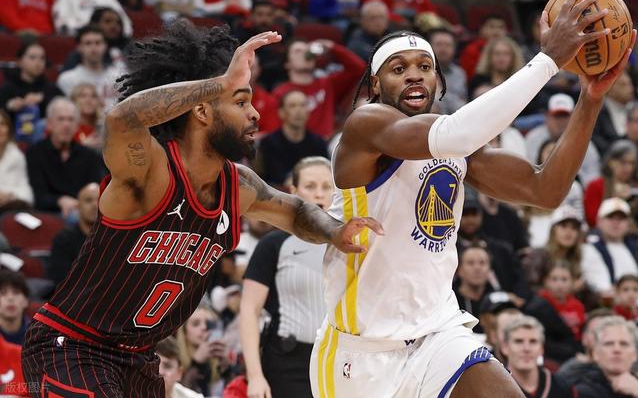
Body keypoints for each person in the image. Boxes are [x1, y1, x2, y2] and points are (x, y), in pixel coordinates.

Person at [21, 21, 381, 396]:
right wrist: (220, 83)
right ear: (202, 111)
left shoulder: (238, 186)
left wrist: (335, 231)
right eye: (240, 102)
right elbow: (121, 120)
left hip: (138, 358)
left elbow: (295, 211)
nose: (255, 114)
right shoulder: (150, 171)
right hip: (74, 346)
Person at [309, 0, 634, 397]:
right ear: (375, 84)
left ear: (438, 80)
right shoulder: (366, 125)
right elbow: (456, 133)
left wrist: (590, 99)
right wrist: (548, 60)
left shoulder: (457, 146)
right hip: (361, 353)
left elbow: (544, 190)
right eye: (398, 68)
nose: (414, 75)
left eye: (425, 66)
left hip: (437, 333)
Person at [241, 157, 333, 398]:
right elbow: (249, 310)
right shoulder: (273, 244)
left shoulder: (353, 244)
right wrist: (255, 376)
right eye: (310, 186)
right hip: (286, 362)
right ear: (294, 191)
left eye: (326, 186)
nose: (319, 194)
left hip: (340, 361)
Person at [26, 97, 105, 217]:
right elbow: (38, 195)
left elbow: (96, 191)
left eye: (71, 119)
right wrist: (59, 200)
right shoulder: (34, 153)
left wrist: (79, 204)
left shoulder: (90, 156)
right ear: (49, 124)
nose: (66, 125)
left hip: (82, 213)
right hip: (46, 213)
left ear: (77, 125)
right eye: (61, 119)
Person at [272, 39, 365, 139]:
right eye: (298, 51)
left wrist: (331, 46)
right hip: (295, 142)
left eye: (307, 50)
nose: (305, 53)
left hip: (326, 142)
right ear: (287, 64)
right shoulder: (281, 92)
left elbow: (359, 68)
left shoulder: (327, 83)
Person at [581, 197, 638, 306]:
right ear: (599, 221)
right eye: (610, 218)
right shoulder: (590, 249)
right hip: (613, 308)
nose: (616, 223)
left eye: (621, 218)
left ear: (628, 223)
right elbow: (600, 284)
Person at [572, 316, 638, 398]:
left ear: (635, 355)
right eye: (609, 344)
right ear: (595, 354)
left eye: (624, 344)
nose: (617, 349)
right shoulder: (581, 389)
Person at [525, 93, 601, 187]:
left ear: (574, 118)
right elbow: (528, 173)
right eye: (557, 116)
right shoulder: (534, 138)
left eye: (565, 116)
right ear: (547, 117)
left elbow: (593, 177)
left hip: (575, 189)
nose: (561, 122)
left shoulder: (584, 142)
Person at [256, 90, 328, 186]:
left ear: (308, 112)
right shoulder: (269, 143)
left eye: (303, 105)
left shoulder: (319, 143)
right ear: (281, 112)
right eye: (292, 106)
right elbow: (274, 178)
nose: (298, 111)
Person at [583, 140, 638, 231]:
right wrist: (617, 199)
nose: (628, 168)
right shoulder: (596, 186)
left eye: (632, 163)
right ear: (611, 162)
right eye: (623, 162)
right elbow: (592, 221)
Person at [0, 42, 63, 144]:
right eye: (32, 57)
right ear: (20, 61)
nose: (38, 62)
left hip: (45, 141)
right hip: (12, 138)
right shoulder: (8, 87)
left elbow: (64, 105)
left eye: (42, 58)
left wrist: (43, 98)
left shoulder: (49, 87)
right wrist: (9, 106)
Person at [501, 315, 576, 398]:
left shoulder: (561, 386)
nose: (526, 348)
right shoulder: (494, 384)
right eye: (518, 341)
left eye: (533, 341)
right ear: (505, 347)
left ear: (541, 348)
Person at [57, 25, 125, 111]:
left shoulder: (120, 77)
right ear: (79, 47)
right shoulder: (68, 79)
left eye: (98, 43)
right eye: (88, 43)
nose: (94, 48)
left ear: (105, 46)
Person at [47, 183, 100, 288]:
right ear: (78, 206)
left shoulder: (115, 237)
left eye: (99, 200)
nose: (95, 205)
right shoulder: (63, 240)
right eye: (88, 200)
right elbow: (61, 281)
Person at [175, 306, 229, 396]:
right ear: (184, 332)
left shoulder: (218, 357)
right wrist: (197, 364)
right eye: (196, 324)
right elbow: (180, 394)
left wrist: (227, 368)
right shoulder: (175, 359)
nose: (204, 327)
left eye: (209, 324)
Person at [537, 259, 585, 342]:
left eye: (564, 279)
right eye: (554, 279)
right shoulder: (539, 305)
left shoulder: (578, 306)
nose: (559, 285)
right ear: (545, 281)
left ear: (573, 282)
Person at [592, 71, 635, 155]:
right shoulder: (597, 112)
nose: (631, 89)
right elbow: (595, 139)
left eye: (630, 84)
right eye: (623, 85)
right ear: (610, 87)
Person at [454, 245, 494, 335]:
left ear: (490, 269)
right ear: (459, 269)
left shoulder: (498, 303)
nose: (477, 268)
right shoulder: (450, 303)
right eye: (470, 263)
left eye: (482, 263)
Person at [427, 27, 467, 115]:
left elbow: (462, 107)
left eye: (448, 45)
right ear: (430, 47)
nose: (443, 49)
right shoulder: (420, 72)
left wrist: (441, 91)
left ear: (454, 49)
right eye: (439, 44)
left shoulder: (458, 74)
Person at [0, 110, 33, 212]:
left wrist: (10, 195)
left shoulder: (16, 156)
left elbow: (27, 194)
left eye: (2, 124)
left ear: (9, 129)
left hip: (9, 210)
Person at [459, 13, 508, 80]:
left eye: (501, 27)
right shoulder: (471, 50)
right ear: (481, 29)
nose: (496, 31)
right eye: (491, 27)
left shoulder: (513, 49)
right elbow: (468, 77)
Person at [0, 270, 30, 346]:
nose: (10, 298)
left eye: (16, 292)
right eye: (3, 293)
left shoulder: (36, 335)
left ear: (26, 301)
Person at [70, 82, 104, 150]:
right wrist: (82, 146)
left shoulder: (105, 127)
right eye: (83, 96)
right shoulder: (68, 126)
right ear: (74, 101)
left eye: (93, 96)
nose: (89, 100)